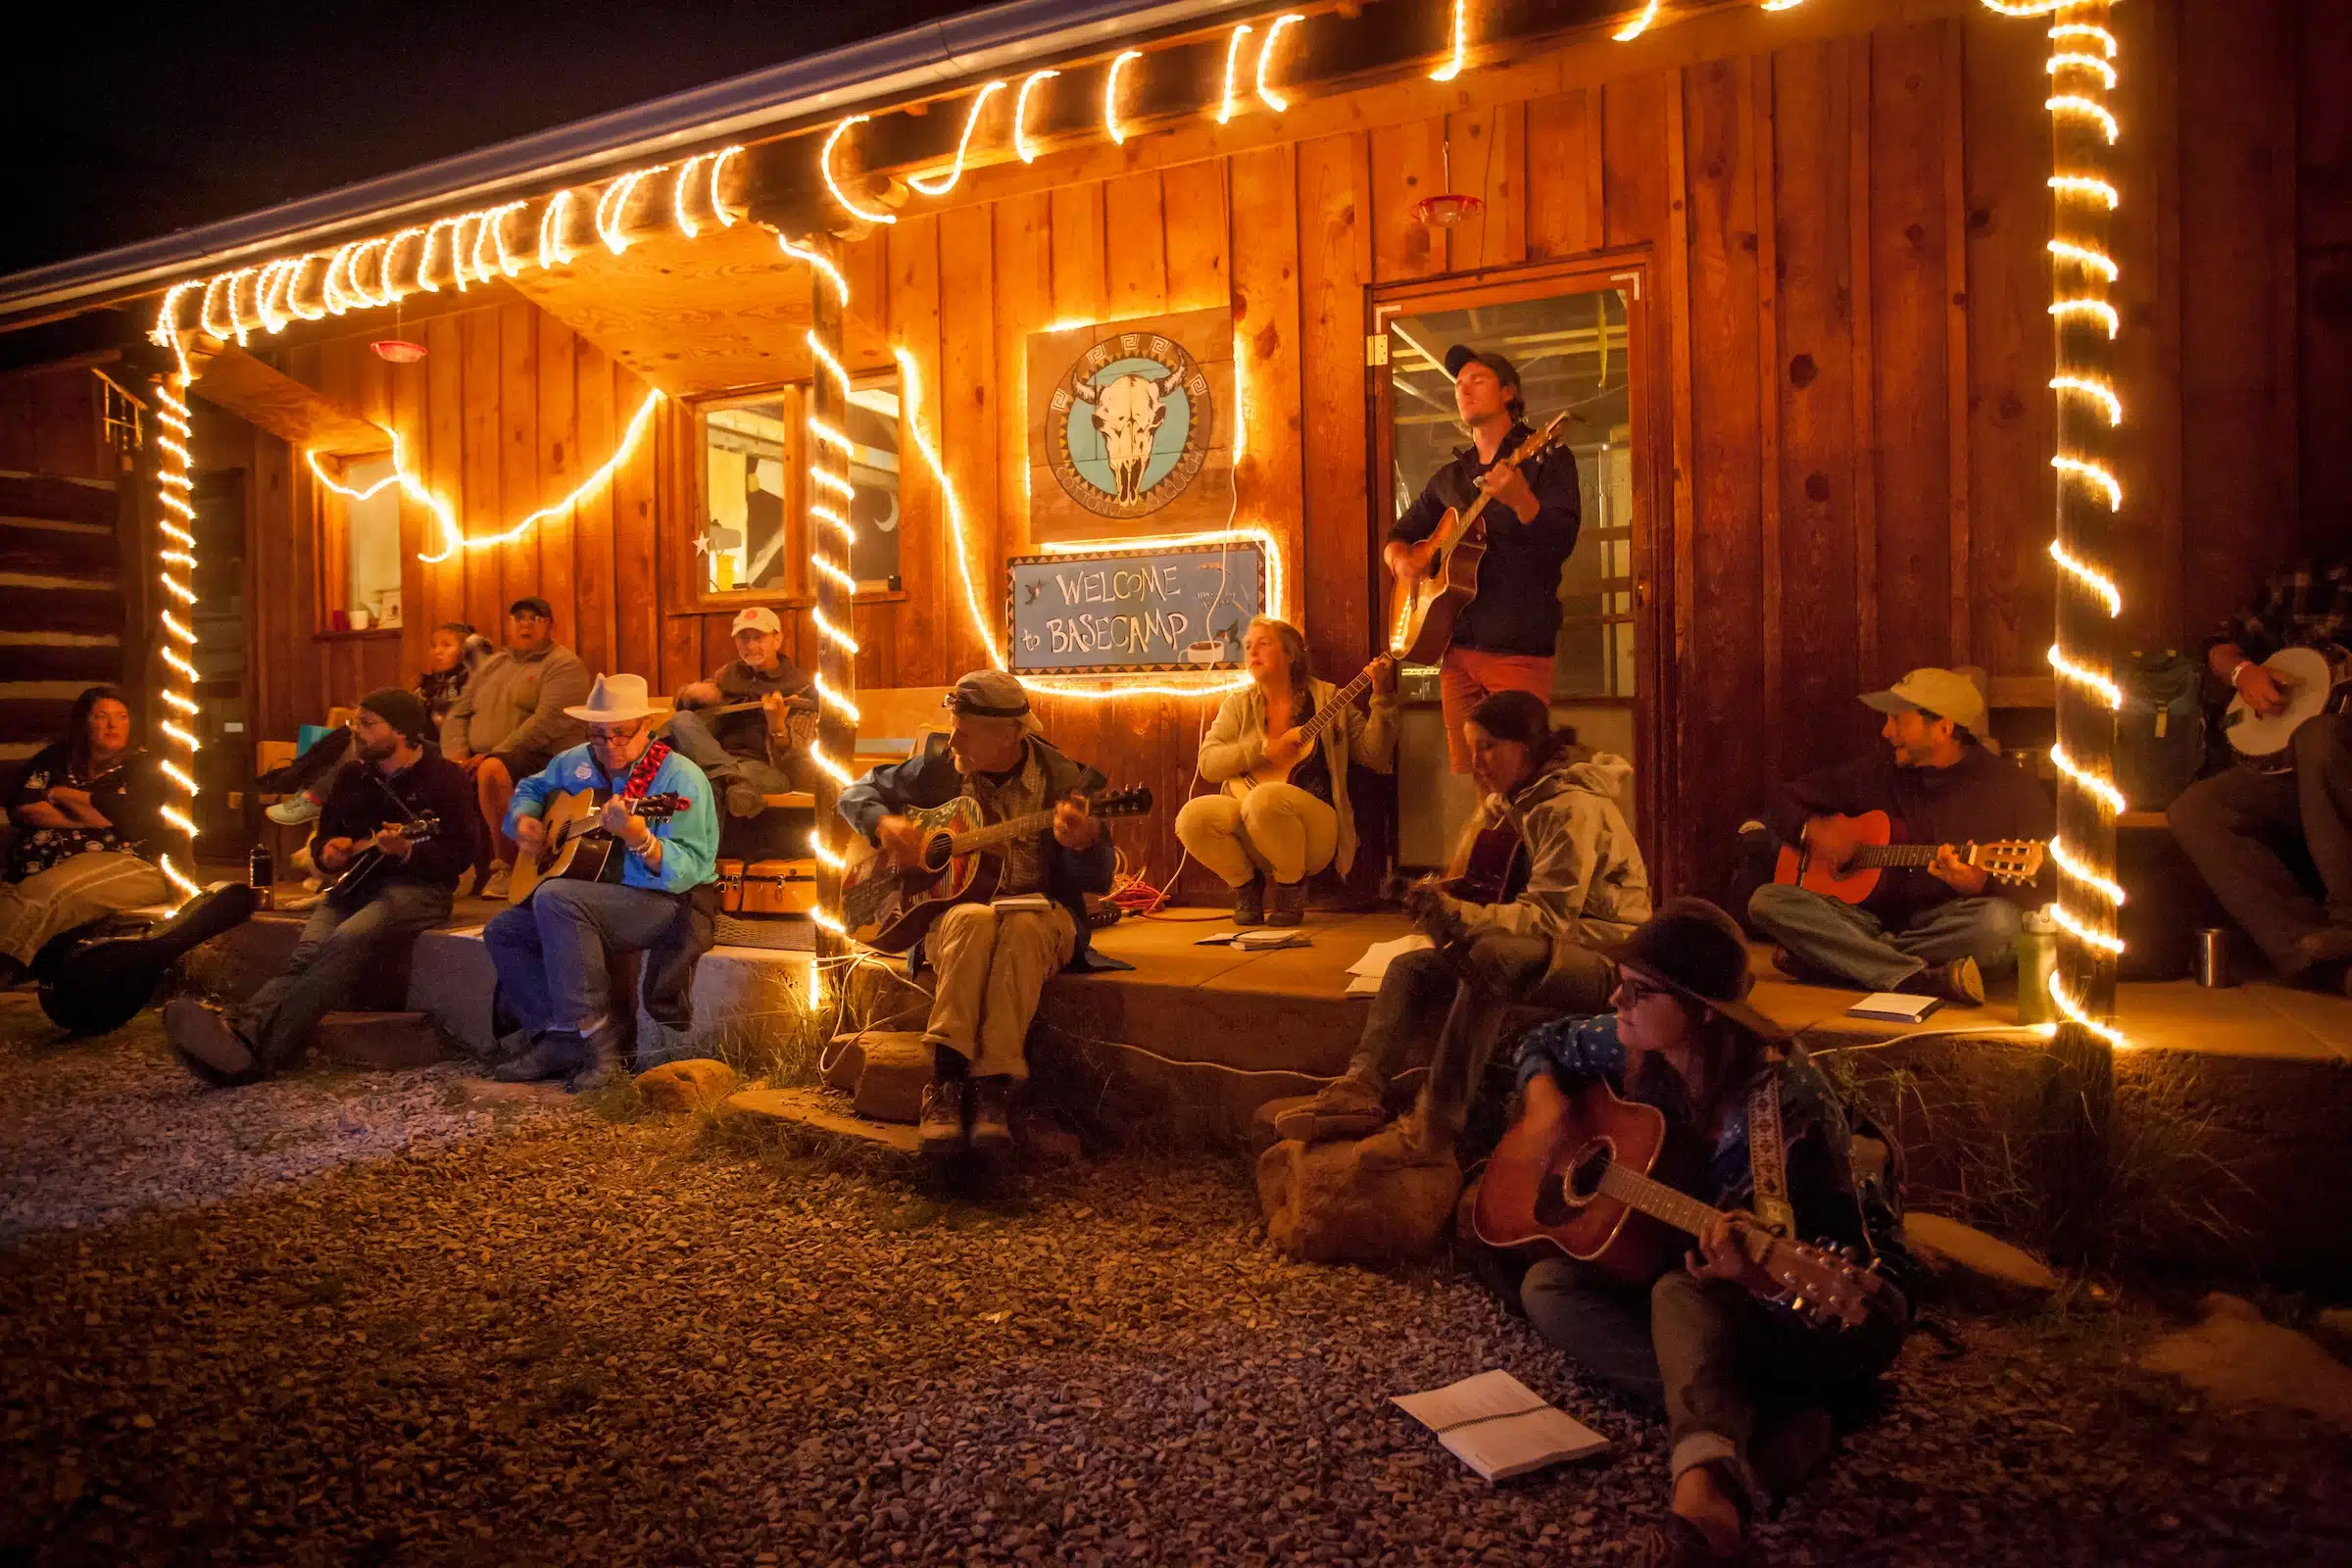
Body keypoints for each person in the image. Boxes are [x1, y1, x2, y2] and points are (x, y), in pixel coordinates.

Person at [1496, 899, 1908, 1566]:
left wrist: (1755, 1276)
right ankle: (1764, 1423)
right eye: (1619, 982)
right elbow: (1538, 1044)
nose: (1616, 999)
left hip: (1781, 1303)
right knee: (1547, 1287)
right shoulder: (1631, 1042)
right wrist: (1546, 1108)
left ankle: (1705, 1492)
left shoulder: (1786, 1107)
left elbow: (1849, 1280)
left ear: (1704, 1010)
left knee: (1676, 1298)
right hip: (1678, 1259)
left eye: (1638, 991)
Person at [1274, 688, 1650, 1149]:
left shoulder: (1572, 809)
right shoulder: (1510, 803)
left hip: (1603, 957)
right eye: (1473, 748)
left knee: (1492, 957)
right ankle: (1360, 1088)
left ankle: (1435, 1126)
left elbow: (1549, 919)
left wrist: (1460, 915)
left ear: (1527, 747)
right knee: (1411, 967)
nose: (1478, 761)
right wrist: (1438, 902)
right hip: (1542, 944)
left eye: (1489, 746)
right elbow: (1479, 887)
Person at [839, 670, 1113, 1156]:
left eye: (965, 730)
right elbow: (854, 793)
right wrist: (885, 825)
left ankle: (993, 1090)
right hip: (957, 912)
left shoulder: (1069, 782)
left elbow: (1097, 879)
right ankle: (945, 1084)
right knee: (973, 919)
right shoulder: (939, 768)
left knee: (1023, 929)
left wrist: (1084, 843)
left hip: (1043, 912)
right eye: (954, 725)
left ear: (1010, 733)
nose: (953, 740)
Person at [163, 690, 474, 1082]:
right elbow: (322, 839)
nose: (356, 733)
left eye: (367, 724)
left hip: (418, 890)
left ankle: (253, 1045)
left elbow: (464, 852)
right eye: (355, 723)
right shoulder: (352, 775)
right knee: (308, 952)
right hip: (353, 886)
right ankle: (243, 1043)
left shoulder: (445, 778)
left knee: (345, 938)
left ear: (403, 731)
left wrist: (409, 852)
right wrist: (326, 853)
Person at [1746, 669, 2052, 1006]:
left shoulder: (2013, 790)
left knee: (2000, 926)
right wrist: (1812, 831)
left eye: (1897, 720)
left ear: (1943, 727)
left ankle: (1843, 960)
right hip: (1863, 920)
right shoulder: (1877, 773)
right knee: (1767, 900)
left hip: (1941, 928)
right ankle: (1914, 976)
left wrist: (1980, 885)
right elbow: (1783, 800)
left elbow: (2045, 888)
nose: (1886, 732)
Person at [482, 674, 719, 1093]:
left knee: (556, 898)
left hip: (659, 901)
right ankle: (556, 1037)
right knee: (503, 930)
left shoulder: (679, 780)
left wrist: (639, 837)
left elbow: (691, 869)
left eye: (620, 735)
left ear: (646, 726)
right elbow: (533, 787)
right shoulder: (575, 761)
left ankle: (602, 1047)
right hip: (590, 894)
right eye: (597, 736)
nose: (608, 746)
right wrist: (523, 819)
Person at [1383, 343, 1582, 775]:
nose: (1464, 388)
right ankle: (1486, 844)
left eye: (1478, 379)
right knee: (1475, 777)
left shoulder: (1546, 458)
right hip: (1455, 649)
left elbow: (1561, 542)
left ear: (1508, 392)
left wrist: (1522, 500)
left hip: (1518, 648)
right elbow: (1399, 535)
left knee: (1522, 775)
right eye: (1458, 384)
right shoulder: (1450, 478)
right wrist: (1404, 563)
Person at [2169, 557, 2352, 992]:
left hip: (2341, 758)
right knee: (2196, 809)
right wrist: (2244, 672)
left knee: (2320, 735)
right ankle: (2309, 949)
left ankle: (2348, 930)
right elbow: (2219, 645)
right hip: (2290, 769)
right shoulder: (2304, 580)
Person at [1175, 616, 1397, 927]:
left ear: (1291, 654)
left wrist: (1382, 696)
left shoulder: (1330, 699)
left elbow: (1374, 755)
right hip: (1251, 818)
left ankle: (1290, 889)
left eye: (1263, 644)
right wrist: (1262, 750)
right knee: (1192, 817)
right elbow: (1209, 763)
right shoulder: (1237, 705)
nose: (1252, 652)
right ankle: (1246, 887)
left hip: (1314, 829)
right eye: (1248, 645)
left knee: (1265, 798)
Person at [0, 686, 172, 986]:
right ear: (83, 723)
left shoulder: (144, 768)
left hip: (122, 862)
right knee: (15, 893)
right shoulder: (54, 759)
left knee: (47, 893)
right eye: (101, 716)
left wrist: (58, 793)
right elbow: (23, 807)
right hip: (35, 862)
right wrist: (94, 813)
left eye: (121, 717)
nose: (112, 725)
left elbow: (131, 820)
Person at [263, 622, 490, 827]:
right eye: (433, 646)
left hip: (438, 750)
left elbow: (449, 728)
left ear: (464, 651)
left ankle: (312, 798)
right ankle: (298, 786)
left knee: (367, 739)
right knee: (346, 733)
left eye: (446, 645)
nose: (437, 651)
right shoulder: (427, 686)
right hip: (411, 740)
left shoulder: (469, 685)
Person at [440, 598, 594, 899]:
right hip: (481, 755)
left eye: (535, 619)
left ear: (550, 626)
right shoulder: (495, 664)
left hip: (545, 757)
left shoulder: (564, 665)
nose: (526, 624)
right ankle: (448, 871)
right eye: (519, 618)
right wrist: (457, 756)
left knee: (492, 770)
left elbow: (546, 723)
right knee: (437, 770)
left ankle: (507, 868)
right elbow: (459, 711)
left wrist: (493, 753)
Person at [663, 605, 815, 818]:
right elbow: (683, 708)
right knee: (682, 720)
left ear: (777, 639)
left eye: (759, 637)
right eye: (744, 639)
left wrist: (778, 727)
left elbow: (800, 764)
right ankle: (729, 779)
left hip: (765, 770)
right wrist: (690, 693)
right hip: (719, 760)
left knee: (706, 780)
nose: (751, 646)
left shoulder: (801, 687)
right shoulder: (727, 673)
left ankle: (703, 845)